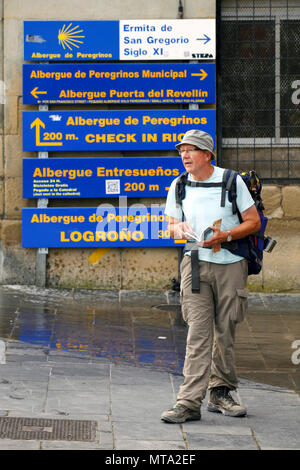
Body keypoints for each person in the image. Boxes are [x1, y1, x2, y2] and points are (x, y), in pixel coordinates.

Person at [161, 129, 261, 424]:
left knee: (225, 331)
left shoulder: (232, 182)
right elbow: (172, 226)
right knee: (197, 333)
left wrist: (226, 234)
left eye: (191, 151)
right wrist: (178, 230)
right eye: (182, 151)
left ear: (207, 155)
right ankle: (189, 402)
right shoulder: (179, 185)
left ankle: (221, 392)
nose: (185, 156)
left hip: (230, 264)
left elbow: (253, 222)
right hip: (194, 264)